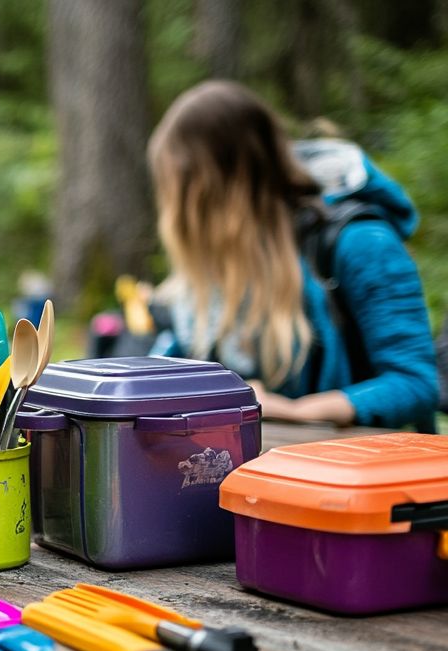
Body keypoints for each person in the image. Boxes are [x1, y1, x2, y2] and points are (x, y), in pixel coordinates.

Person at [147, 80, 439, 431]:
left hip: (368, 474)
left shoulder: (360, 243)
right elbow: (173, 368)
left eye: (180, 191)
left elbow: (416, 384)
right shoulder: (217, 276)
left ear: (221, 191)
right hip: (273, 474)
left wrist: (297, 410)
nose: (173, 214)